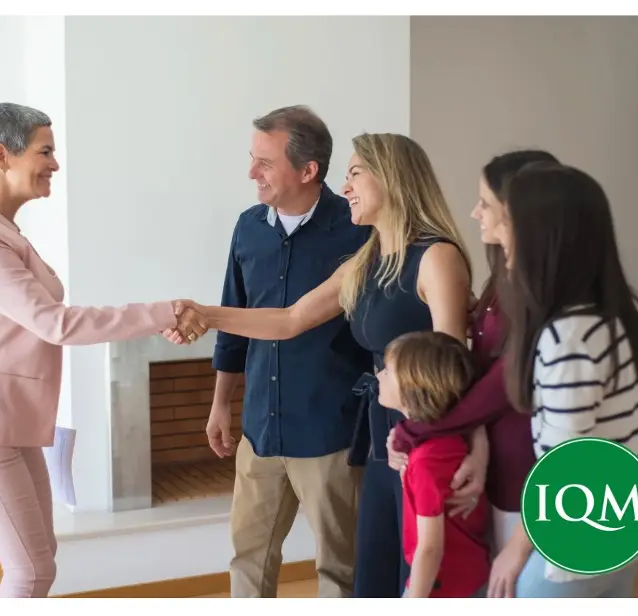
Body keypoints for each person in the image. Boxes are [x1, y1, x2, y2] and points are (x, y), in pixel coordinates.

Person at [169, 132, 486, 598]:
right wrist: (206, 314)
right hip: (382, 436)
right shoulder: (367, 259)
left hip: (426, 441)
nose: (346, 187)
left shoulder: (436, 258)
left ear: (392, 180)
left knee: (420, 574)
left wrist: (475, 447)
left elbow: (457, 370)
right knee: (373, 578)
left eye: (356, 173)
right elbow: (290, 319)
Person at [0, 102, 205, 598]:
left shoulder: (1, 228)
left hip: (7, 420)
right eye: (45, 151)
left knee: (40, 560)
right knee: (29, 571)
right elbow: (55, 324)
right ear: (1, 154)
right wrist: (163, 312)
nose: (55, 163)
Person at [174, 105, 373, 598]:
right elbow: (233, 325)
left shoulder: (358, 232)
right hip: (260, 429)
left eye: (264, 162)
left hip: (330, 432)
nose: (251, 173)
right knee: (248, 558)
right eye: (252, 158)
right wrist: (221, 404)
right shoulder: (248, 228)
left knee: (339, 568)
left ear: (308, 171)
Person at [487, 161, 638, 597]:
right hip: (631, 515)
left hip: (583, 531)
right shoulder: (616, 312)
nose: (498, 235)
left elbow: (566, 462)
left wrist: (516, 547)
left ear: (543, 237)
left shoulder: (568, 335)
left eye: (507, 221)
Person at [387, 150, 562, 562]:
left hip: (529, 471)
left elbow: (500, 383)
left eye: (485, 203)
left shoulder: (542, 292)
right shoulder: (503, 280)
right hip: (499, 462)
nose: (474, 212)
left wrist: (417, 430)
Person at [377, 331, 491, 598]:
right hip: (468, 577)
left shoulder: (426, 462)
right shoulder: (444, 444)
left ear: (414, 387)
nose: (379, 375)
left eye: (388, 372)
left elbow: (430, 548)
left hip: (444, 588)